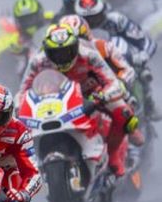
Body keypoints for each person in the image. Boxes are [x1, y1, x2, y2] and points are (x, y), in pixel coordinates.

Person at [18, 23, 143, 179]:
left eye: (67, 51)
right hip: (57, 98)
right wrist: (17, 109)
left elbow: (114, 82)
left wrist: (103, 95)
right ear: (47, 51)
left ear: (76, 46)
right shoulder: (37, 61)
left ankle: (113, 155)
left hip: (92, 95)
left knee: (124, 113)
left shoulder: (89, 55)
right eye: (56, 53)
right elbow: (22, 91)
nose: (62, 57)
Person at [74, 0, 159, 118]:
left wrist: (142, 55)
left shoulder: (117, 20)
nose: (92, 23)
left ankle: (149, 104)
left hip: (121, 58)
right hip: (90, 65)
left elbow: (144, 41)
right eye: (87, 19)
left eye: (95, 17)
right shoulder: (75, 27)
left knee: (143, 71)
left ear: (103, 11)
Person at [60, 14, 136, 88]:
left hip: (112, 92)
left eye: (78, 39)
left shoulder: (104, 47)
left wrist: (119, 83)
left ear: (85, 34)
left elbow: (127, 71)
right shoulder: (57, 58)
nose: (79, 44)